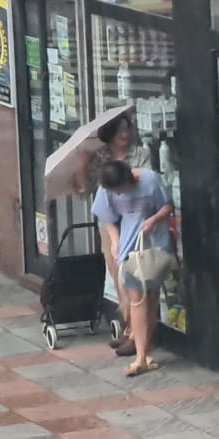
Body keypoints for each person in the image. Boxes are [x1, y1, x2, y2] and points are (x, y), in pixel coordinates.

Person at [74, 112, 152, 357]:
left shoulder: (141, 155)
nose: (125, 135)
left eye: (127, 129)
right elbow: (84, 190)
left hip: (133, 220)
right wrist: (82, 164)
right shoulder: (100, 157)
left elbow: (147, 183)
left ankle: (137, 334)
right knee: (118, 275)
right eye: (119, 131)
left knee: (133, 277)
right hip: (109, 223)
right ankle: (130, 327)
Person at [92, 160, 173, 377]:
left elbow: (167, 206)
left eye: (121, 190)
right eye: (114, 191)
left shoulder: (150, 180)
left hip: (155, 246)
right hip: (129, 248)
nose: (118, 194)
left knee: (152, 297)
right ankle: (140, 356)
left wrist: (154, 220)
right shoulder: (106, 188)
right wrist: (115, 242)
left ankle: (145, 352)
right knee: (137, 300)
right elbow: (108, 218)